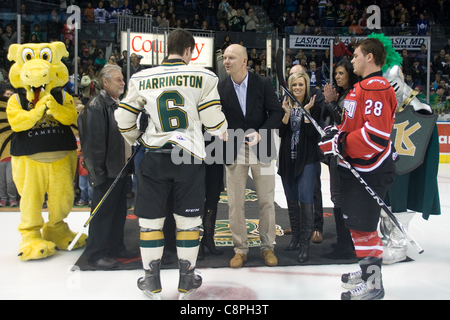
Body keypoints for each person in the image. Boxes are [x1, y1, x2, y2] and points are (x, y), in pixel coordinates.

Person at [115, 29, 227, 300]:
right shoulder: (205, 76)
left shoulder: (142, 77)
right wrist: (222, 130)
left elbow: (123, 118)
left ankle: (151, 281)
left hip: (154, 156)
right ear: (190, 51)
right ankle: (186, 280)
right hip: (188, 157)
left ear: (167, 49)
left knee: (150, 222)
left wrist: (136, 138)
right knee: (188, 221)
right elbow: (213, 121)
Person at [319, 38, 397, 300]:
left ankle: (374, 285)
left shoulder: (375, 87)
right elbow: (353, 125)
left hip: (369, 170)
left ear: (371, 58)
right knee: (358, 226)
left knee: (364, 228)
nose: (352, 60)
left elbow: (375, 136)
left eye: (356, 56)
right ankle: (366, 272)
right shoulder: (360, 87)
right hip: (357, 169)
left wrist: (339, 143)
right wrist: (336, 132)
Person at [219, 44, 284, 268]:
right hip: (232, 148)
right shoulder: (220, 87)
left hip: (262, 145)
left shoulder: (263, 83)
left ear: (245, 61)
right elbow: (214, 116)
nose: (226, 61)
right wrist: (220, 129)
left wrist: (262, 132)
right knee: (235, 203)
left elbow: (278, 112)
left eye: (232, 58)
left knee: (266, 201)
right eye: (225, 57)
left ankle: (268, 247)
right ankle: (240, 249)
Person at [78, 64, 133, 269]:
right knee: (102, 214)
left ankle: (115, 247)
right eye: (118, 79)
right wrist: (97, 174)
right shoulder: (96, 106)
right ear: (105, 82)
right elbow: (93, 145)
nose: (123, 82)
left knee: (118, 211)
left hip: (119, 169)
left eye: (122, 79)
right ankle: (96, 253)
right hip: (106, 171)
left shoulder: (116, 103)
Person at [277, 69, 324, 262]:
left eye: (300, 84)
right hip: (288, 158)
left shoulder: (313, 106)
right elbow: (280, 132)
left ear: (306, 86)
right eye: (294, 85)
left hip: (307, 159)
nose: (297, 88)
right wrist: (287, 114)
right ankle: (295, 238)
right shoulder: (285, 104)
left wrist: (307, 114)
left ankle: (305, 244)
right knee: (291, 198)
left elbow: (315, 135)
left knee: (306, 199)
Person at [322, 60, 358, 259]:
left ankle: (347, 244)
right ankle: (343, 241)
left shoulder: (352, 95)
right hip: (336, 154)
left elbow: (344, 122)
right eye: (336, 73)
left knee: (340, 197)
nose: (337, 77)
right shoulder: (344, 94)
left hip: (345, 155)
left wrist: (330, 103)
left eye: (341, 73)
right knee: (337, 197)